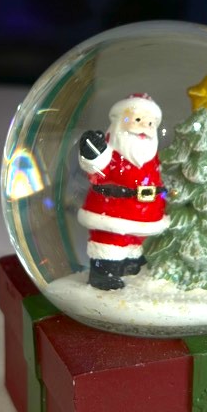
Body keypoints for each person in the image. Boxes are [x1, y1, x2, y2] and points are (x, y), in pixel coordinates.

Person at [78, 93, 170, 290]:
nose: (144, 127)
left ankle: (130, 265)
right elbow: (96, 167)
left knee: (137, 243)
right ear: (120, 121)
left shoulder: (151, 154)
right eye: (137, 120)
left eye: (150, 123)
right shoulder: (110, 152)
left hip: (146, 213)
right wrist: (92, 154)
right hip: (112, 211)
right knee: (110, 241)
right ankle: (103, 272)